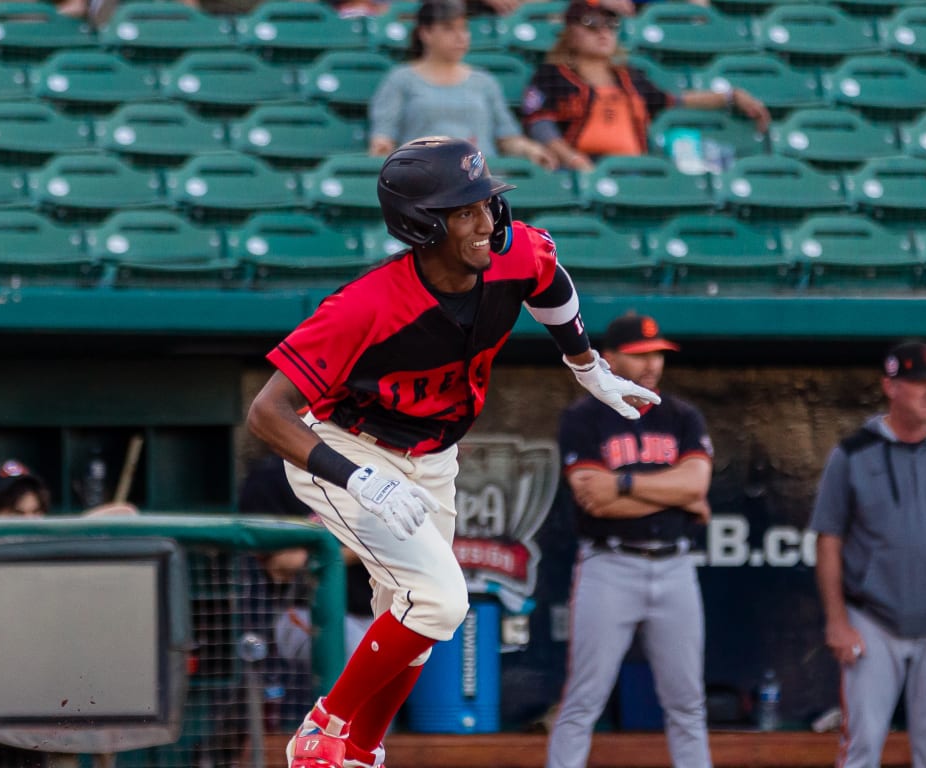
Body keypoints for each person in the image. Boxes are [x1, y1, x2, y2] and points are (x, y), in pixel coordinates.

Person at [246, 135, 660, 768]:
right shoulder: (366, 304)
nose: (486, 221)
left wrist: (587, 366)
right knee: (442, 599)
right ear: (421, 224)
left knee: (415, 619)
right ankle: (322, 731)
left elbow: (550, 281)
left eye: (487, 204)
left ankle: (359, 750)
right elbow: (266, 412)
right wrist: (358, 479)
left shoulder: (512, 253)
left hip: (435, 456)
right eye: (464, 211)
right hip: (347, 449)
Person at [809, 341, 926, 768]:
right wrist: (837, 621)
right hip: (872, 622)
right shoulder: (852, 453)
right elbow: (828, 540)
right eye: (918, 384)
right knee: (862, 746)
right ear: (890, 387)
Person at [546, 313, 714, 768]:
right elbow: (592, 499)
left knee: (687, 703)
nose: (651, 365)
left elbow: (696, 485)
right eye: (640, 355)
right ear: (611, 358)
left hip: (675, 567)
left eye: (657, 353)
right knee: (583, 700)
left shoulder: (681, 416)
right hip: (609, 565)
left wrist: (622, 485)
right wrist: (673, 494)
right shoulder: (584, 417)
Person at [520, 0, 770, 172]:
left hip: (634, 170)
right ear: (570, 33)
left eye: (610, 25)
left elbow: (675, 100)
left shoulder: (630, 78)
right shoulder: (552, 76)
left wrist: (731, 95)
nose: (603, 32)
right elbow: (540, 124)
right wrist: (575, 161)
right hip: (578, 171)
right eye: (591, 24)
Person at [367, 0, 556, 169]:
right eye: (449, 28)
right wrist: (382, 147)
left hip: (479, 178)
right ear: (426, 33)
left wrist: (531, 150)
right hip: (423, 177)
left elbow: (507, 138)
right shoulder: (400, 79)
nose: (460, 37)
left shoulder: (484, 81)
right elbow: (384, 136)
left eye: (464, 28)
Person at [0, 458, 137, 520]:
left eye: (35, 512)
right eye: (17, 514)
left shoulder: (47, 539)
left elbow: (126, 511)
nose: (29, 521)